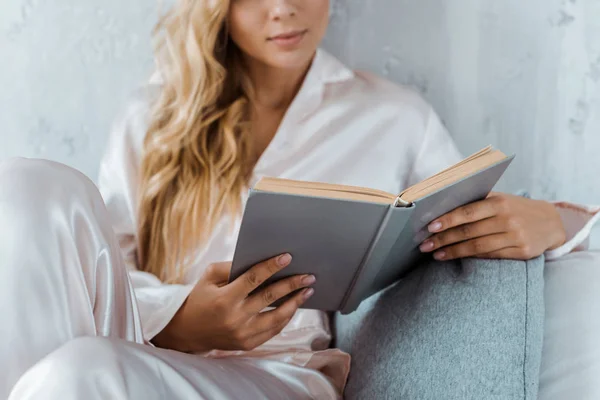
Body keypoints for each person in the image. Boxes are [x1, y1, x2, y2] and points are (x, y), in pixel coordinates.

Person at [1, 0, 598, 398]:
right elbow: (98, 280)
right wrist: (180, 320)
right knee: (30, 188)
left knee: (76, 376)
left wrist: (554, 222)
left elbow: (464, 214)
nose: (284, 7)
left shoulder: (393, 117)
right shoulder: (150, 120)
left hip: (278, 376)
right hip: (143, 352)